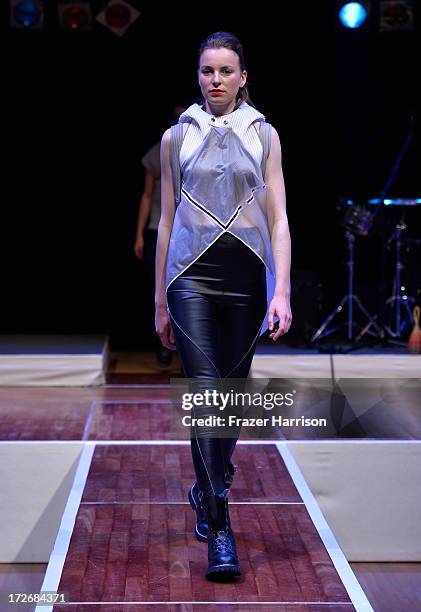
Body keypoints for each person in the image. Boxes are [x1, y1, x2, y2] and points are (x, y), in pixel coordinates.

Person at [155, 31, 291, 581]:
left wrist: (280, 290)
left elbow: (279, 216)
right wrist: (159, 300)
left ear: (242, 77)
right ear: (198, 76)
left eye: (225, 70)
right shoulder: (175, 137)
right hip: (190, 278)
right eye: (207, 70)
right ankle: (221, 526)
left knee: (228, 400)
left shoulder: (263, 134)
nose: (215, 79)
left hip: (245, 277)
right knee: (206, 392)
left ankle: (207, 482)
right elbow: (165, 219)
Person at [134, 106, 186, 365]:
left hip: (189, 231)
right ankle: (163, 342)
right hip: (159, 229)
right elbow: (146, 195)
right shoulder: (159, 151)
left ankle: (188, 346)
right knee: (160, 290)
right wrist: (139, 235)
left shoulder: (200, 149)